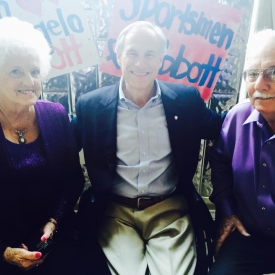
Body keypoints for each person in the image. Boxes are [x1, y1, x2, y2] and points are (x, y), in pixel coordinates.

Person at [75, 21, 224, 275]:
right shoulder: (92, 106)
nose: (140, 63)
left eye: (150, 54)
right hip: (116, 212)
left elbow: (224, 130)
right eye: (132, 53)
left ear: (161, 60)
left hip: (170, 210)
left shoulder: (185, 101)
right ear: (119, 56)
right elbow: (60, 144)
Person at [0, 17, 86, 274]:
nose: (29, 81)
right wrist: (5, 252)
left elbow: (73, 180)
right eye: (16, 71)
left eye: (35, 71)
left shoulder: (55, 114)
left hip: (55, 237)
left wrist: (54, 222)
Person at [208, 29, 275, 275]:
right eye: (252, 73)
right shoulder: (238, 116)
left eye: (273, 72)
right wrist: (227, 211)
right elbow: (219, 161)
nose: (260, 84)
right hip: (249, 236)